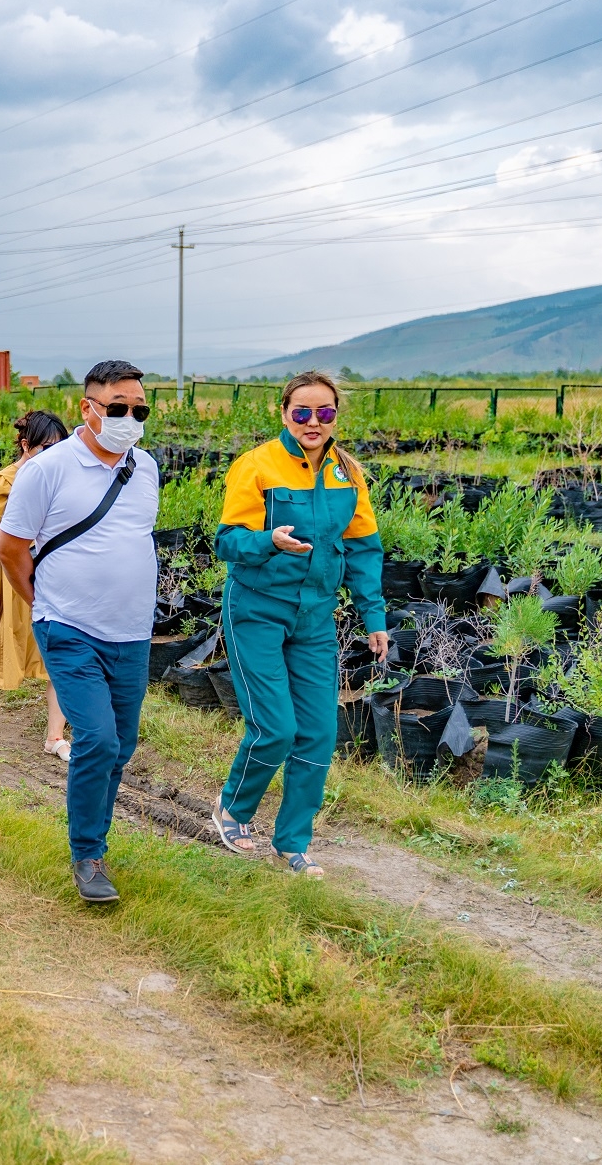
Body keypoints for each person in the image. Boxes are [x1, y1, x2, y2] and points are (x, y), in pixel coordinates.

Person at [211, 371, 387, 878]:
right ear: (283, 411)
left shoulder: (346, 474)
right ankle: (233, 811)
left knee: (317, 733)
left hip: (315, 618)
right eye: (303, 412)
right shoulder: (257, 465)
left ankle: (292, 842)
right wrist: (269, 542)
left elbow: (363, 548)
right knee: (275, 728)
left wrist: (372, 615)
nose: (314, 422)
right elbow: (227, 542)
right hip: (258, 610)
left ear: (336, 415)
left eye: (325, 413)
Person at [0, 360, 160, 904]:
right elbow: (11, 548)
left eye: (139, 409)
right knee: (97, 738)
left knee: (122, 745)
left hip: (133, 632)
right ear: (86, 408)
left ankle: (96, 834)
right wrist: (43, 604)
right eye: (118, 408)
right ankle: (88, 854)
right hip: (68, 626)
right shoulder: (47, 470)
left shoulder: (147, 469)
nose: (129, 418)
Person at [0, 410, 71, 759]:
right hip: (14, 577)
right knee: (6, 644)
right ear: (26, 446)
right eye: (46, 447)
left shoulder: (65, 480)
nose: (54, 454)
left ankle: (55, 736)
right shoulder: (2, 485)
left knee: (59, 651)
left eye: (60, 447)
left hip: (53, 575)